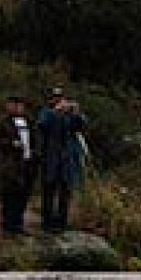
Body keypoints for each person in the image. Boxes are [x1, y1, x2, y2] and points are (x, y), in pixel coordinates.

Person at [36, 88, 86, 232]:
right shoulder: (46, 112)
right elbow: (42, 126)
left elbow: (80, 127)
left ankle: (61, 222)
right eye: (55, 98)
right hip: (50, 159)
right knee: (49, 192)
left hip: (66, 161)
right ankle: (47, 222)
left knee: (65, 193)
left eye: (60, 98)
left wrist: (77, 113)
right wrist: (55, 112)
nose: (58, 101)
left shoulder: (69, 115)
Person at [0, 94, 35, 235]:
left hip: (27, 162)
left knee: (23, 194)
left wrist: (35, 152)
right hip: (10, 164)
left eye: (19, 104)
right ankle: (7, 226)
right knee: (9, 195)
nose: (17, 107)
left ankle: (18, 224)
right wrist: (10, 144)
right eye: (13, 104)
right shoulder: (3, 121)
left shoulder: (29, 120)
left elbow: (36, 137)